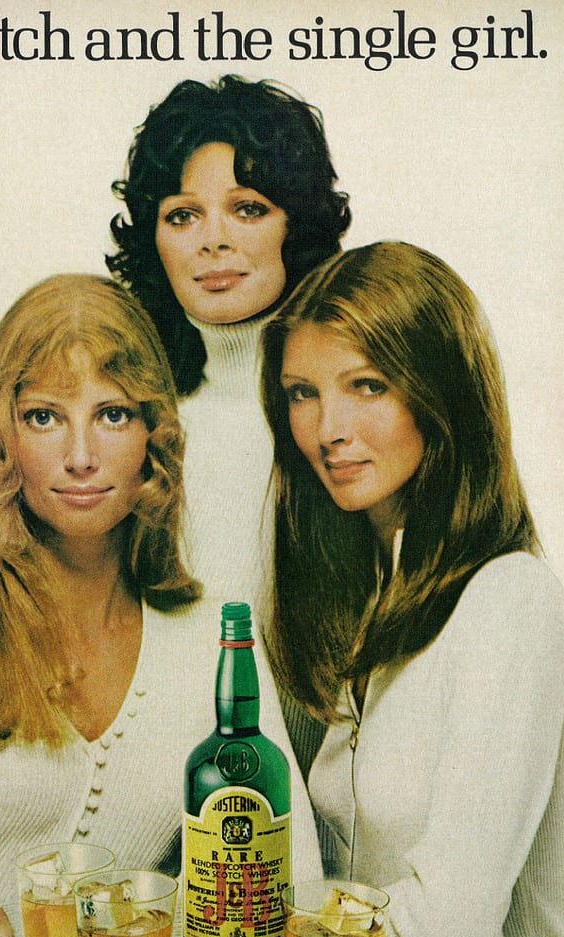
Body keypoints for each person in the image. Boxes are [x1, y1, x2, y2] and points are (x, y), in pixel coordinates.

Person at [0, 274, 322, 937]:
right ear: (3, 437)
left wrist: (22, 928)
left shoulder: (212, 638)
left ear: (154, 435)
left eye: (112, 414)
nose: (80, 456)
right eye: (44, 417)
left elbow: (284, 895)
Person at [260, 241, 564, 937]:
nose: (328, 428)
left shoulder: (508, 599)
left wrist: (253, 916)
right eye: (303, 393)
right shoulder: (368, 600)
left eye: (367, 386)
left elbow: (449, 935)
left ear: (443, 393)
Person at [106, 74, 351, 612]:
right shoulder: (126, 419)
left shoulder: (353, 415)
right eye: (182, 215)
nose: (213, 240)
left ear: (297, 227)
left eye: (248, 210)